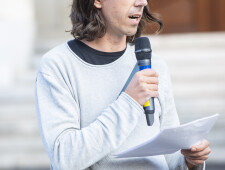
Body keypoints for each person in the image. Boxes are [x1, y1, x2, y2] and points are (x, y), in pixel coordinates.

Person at [35, 0, 211, 169]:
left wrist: (190, 161)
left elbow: (170, 156)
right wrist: (130, 101)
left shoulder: (153, 64)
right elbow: (64, 159)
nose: (142, 2)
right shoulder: (58, 66)